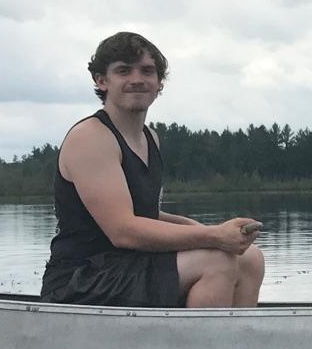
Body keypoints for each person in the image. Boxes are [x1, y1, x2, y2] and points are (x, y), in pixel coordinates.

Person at [40, 31, 267, 307]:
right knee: (216, 261)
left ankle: (237, 335)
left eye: (147, 71)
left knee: (251, 258)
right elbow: (123, 230)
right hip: (81, 280)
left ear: (159, 83)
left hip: (128, 267)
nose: (137, 79)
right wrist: (213, 237)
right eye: (124, 71)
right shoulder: (91, 137)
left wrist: (203, 229)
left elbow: (143, 213)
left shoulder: (149, 138)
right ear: (102, 81)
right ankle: (199, 337)